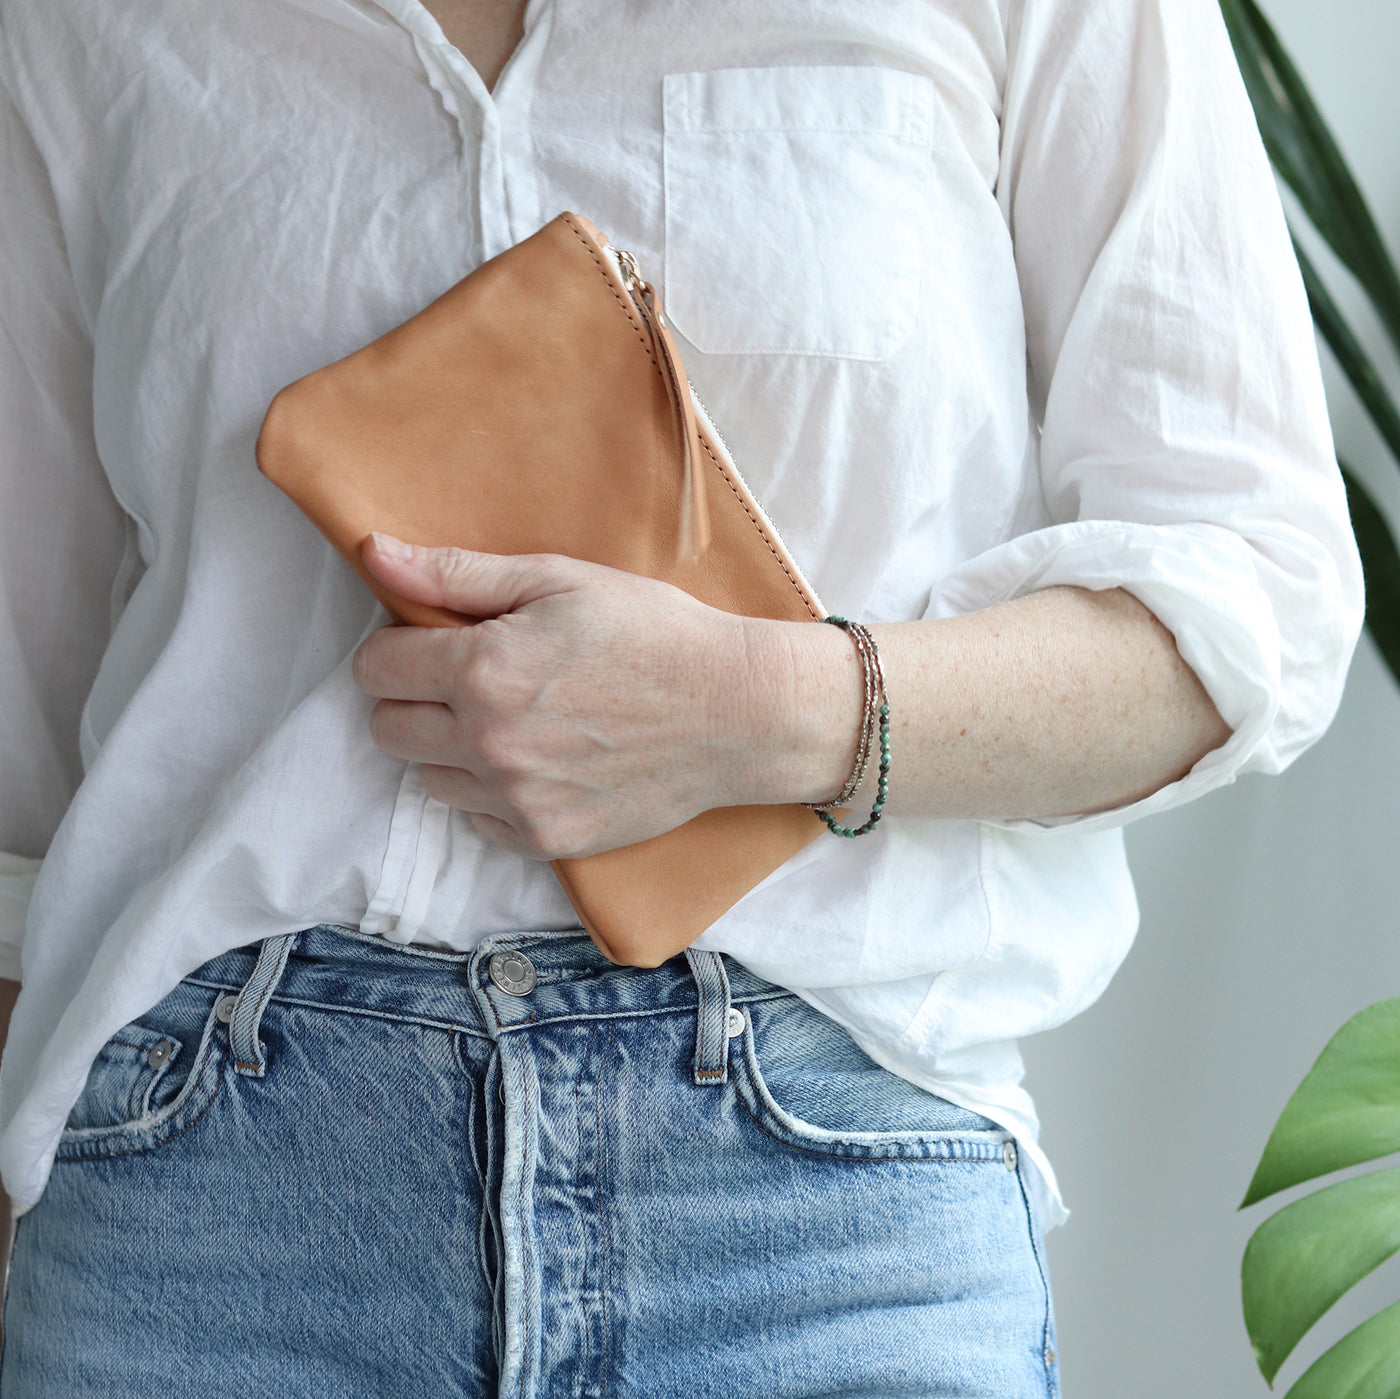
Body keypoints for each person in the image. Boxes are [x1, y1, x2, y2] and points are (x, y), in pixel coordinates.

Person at [0, 0, 1363, 1392]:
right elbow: (32, 772)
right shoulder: (72, 28)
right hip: (203, 1205)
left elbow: (1253, 595)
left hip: (823, 1213)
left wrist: (769, 711)